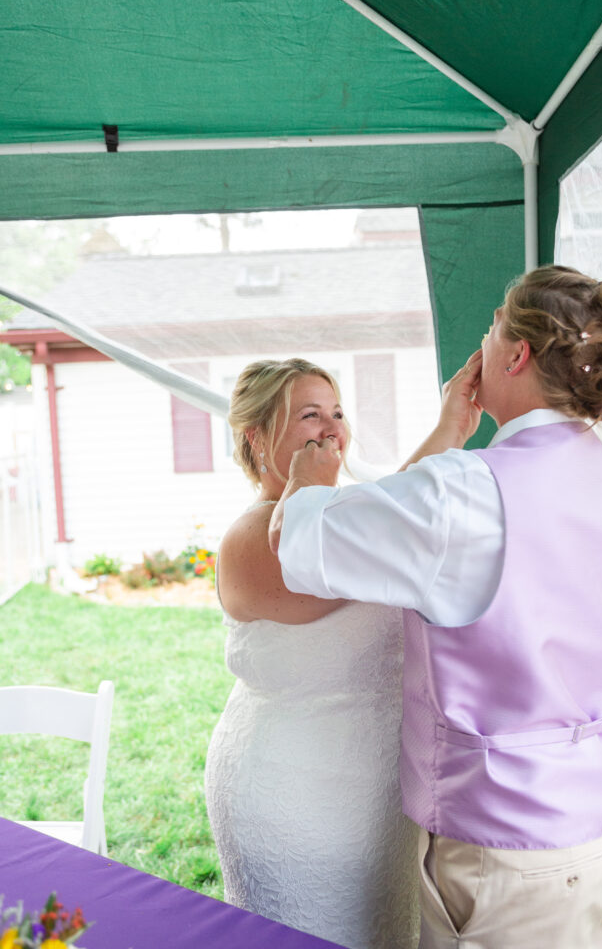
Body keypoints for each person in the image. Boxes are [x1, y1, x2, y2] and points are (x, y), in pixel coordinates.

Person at [269, 267, 602, 949]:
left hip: (516, 851)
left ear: (514, 354)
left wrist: (307, 480)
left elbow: (299, 540)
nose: (482, 343)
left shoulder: (465, 493)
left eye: (490, 328)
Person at [204, 357, 419, 949]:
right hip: (291, 792)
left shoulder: (347, 515)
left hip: (378, 789)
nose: (331, 428)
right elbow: (358, 553)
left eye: (338, 412)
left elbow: (393, 520)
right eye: (309, 415)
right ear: (256, 436)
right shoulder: (249, 538)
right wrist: (314, 487)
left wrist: (451, 422)